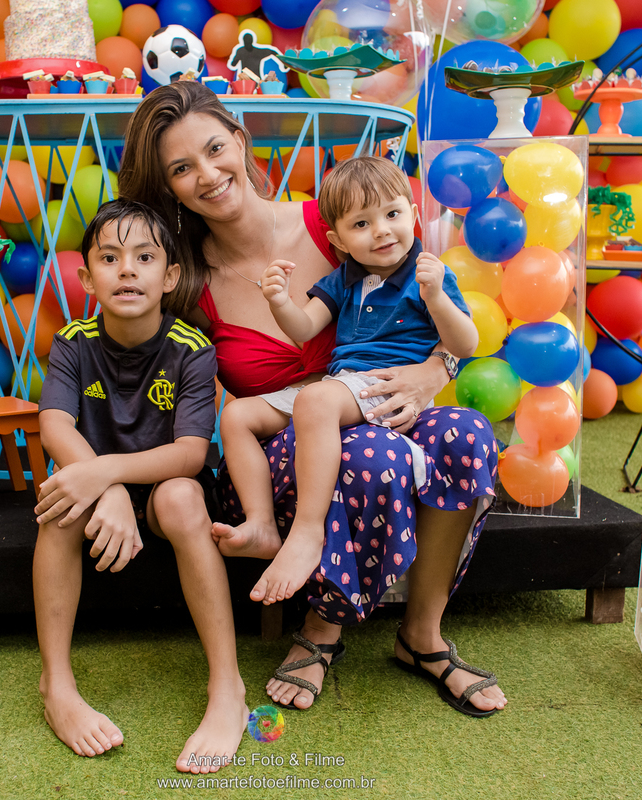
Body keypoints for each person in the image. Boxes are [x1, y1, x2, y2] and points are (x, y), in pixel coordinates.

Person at [119, 81, 508, 718]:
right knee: (370, 452)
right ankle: (321, 631)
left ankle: (423, 636)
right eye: (182, 169)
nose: (209, 174)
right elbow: (146, 384)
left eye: (216, 149)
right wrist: (109, 478)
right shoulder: (184, 280)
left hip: (380, 402)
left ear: (240, 143)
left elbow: (429, 296)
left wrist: (436, 371)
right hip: (281, 459)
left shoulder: (338, 220)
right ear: (168, 188)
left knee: (466, 434)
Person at [33, 199, 247, 772]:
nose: (127, 270)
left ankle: (227, 687)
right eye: (109, 257)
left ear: (170, 276)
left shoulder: (192, 349)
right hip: (102, 496)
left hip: (162, 493)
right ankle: (57, 686)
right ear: (86, 277)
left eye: (144, 257)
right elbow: (53, 423)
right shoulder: (73, 342)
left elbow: (189, 454)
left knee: (182, 496)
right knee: (60, 500)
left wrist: (111, 477)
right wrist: (103, 489)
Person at [219, 156, 479, 611]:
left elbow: (466, 341)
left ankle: (307, 529)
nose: (381, 230)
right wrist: (279, 300)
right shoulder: (343, 280)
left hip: (381, 387)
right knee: (238, 414)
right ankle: (261, 523)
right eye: (362, 223)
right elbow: (302, 328)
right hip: (341, 386)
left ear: (414, 215)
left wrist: (436, 297)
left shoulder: (426, 273)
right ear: (338, 240)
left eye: (392, 214)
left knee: (318, 399)